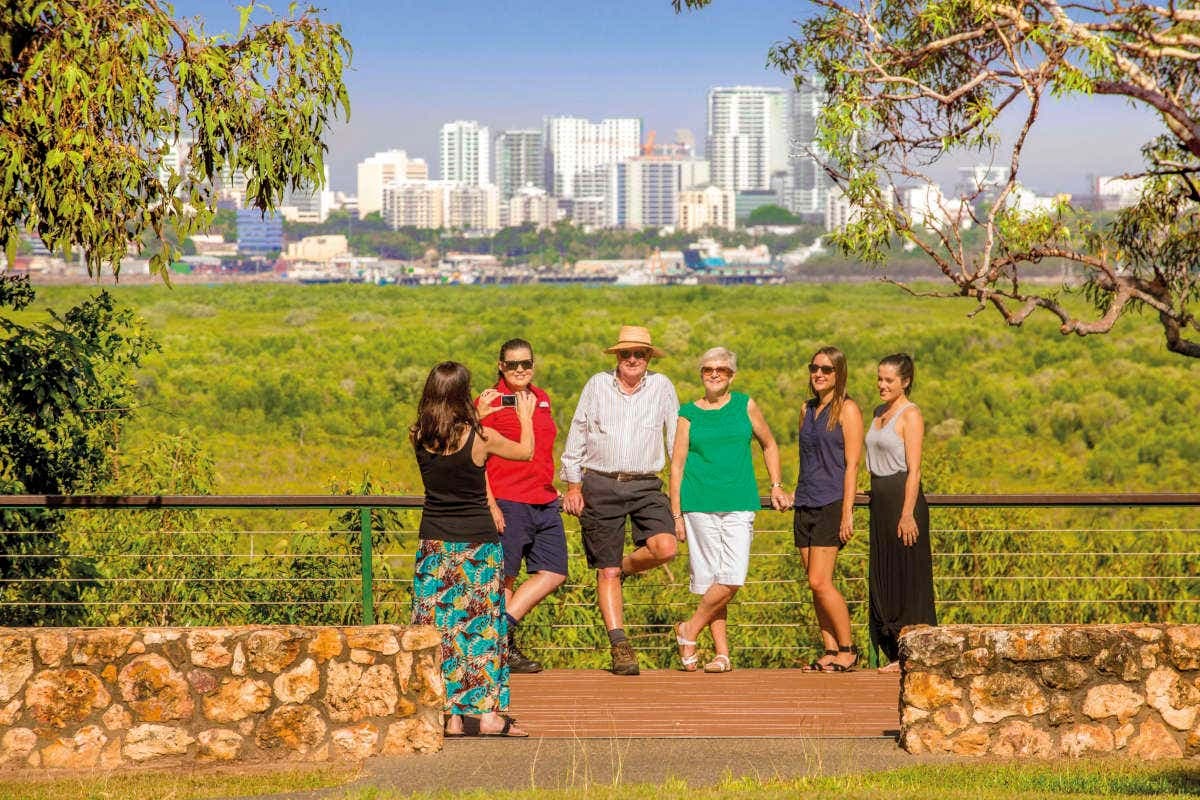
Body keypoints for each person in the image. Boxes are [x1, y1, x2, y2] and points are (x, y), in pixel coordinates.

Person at [410, 361, 536, 737]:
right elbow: (525, 452)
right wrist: (524, 415)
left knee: (442, 629)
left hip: (434, 543)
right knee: (481, 632)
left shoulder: (417, 434)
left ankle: (450, 715)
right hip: (477, 544)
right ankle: (487, 716)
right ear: (463, 394)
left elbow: (447, 441)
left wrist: (476, 414)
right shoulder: (482, 437)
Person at [560, 325, 680, 676]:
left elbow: (675, 441)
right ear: (617, 356)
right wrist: (573, 486)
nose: (632, 359)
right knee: (606, 569)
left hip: (646, 484)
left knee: (665, 548)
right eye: (626, 353)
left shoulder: (662, 386)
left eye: (639, 353)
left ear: (648, 357)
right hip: (600, 482)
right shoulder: (597, 384)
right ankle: (620, 646)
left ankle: (625, 568)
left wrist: (681, 497)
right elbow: (577, 433)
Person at [669, 347, 789, 673]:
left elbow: (769, 444)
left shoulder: (744, 405)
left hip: (739, 501)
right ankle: (722, 654)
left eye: (721, 369)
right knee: (713, 581)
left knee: (732, 577)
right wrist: (676, 514)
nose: (714, 374)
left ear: (732, 375)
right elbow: (677, 465)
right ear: (701, 374)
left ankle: (689, 629)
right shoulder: (687, 413)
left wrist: (776, 484)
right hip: (698, 504)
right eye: (707, 369)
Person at [475, 338, 567, 674]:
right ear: (501, 366)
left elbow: (542, 448)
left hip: (544, 498)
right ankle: (503, 650)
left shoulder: (541, 398)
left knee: (554, 571)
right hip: (508, 498)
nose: (520, 369)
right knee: (507, 578)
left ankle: (499, 635)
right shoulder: (489, 401)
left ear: (533, 364)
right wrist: (490, 503)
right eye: (512, 364)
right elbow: (475, 455)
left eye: (525, 363)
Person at [864, 353, 937, 672]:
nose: (882, 385)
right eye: (879, 378)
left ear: (905, 381)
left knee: (908, 575)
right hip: (880, 500)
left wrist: (907, 514)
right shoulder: (878, 412)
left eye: (889, 380)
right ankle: (893, 650)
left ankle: (914, 652)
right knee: (884, 575)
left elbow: (914, 470)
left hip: (903, 501)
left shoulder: (911, 415)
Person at [795, 346, 864, 672]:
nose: (819, 374)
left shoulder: (847, 410)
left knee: (820, 581)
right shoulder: (806, 409)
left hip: (831, 502)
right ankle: (830, 648)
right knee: (814, 585)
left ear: (839, 373)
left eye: (826, 369)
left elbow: (852, 465)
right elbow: (807, 458)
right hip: (804, 501)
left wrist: (847, 511)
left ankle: (848, 649)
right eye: (814, 368)